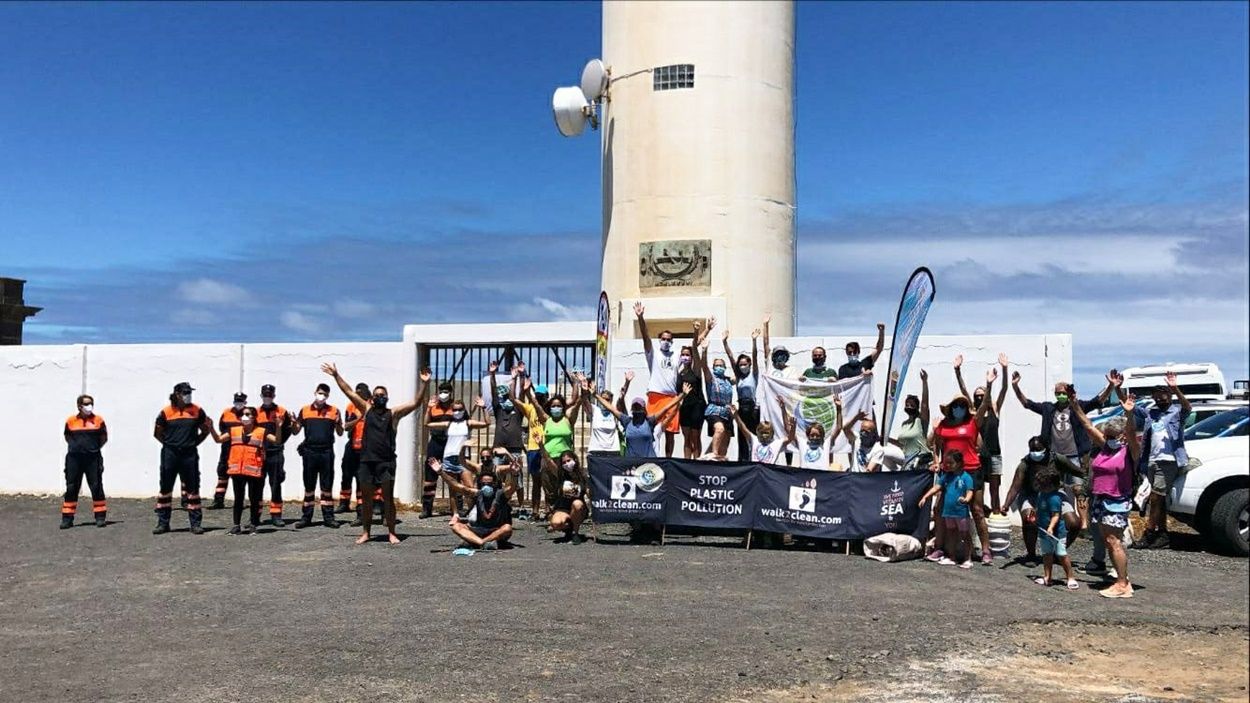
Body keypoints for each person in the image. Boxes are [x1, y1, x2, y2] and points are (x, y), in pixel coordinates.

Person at [323, 363, 429, 545]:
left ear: (387, 397)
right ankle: (366, 532)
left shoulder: (393, 413)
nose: (380, 397)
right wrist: (336, 375)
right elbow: (349, 391)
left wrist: (425, 383)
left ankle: (392, 532)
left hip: (386, 462)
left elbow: (416, 403)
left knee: (388, 499)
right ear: (372, 397)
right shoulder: (366, 409)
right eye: (377, 395)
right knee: (366, 500)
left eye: (383, 395)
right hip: (366, 461)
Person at [1010, 371, 1115, 540]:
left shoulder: (1077, 406)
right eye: (1058, 393)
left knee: (1079, 489)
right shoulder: (1048, 408)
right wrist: (1015, 386)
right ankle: (1055, 521)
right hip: (1054, 458)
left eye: (1064, 393)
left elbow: (1099, 401)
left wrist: (1111, 386)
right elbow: (1026, 403)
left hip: (1075, 455)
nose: (1061, 396)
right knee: (1053, 489)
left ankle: (1084, 525)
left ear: (1070, 394)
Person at [1073, 397, 1138, 598]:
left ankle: (1123, 584)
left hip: (1116, 501)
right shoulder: (1106, 448)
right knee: (1108, 540)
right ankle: (1120, 579)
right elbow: (1087, 425)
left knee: (1113, 540)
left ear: (1122, 437)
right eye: (1107, 435)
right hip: (1100, 499)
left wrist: (1128, 413)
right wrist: (1075, 404)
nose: (1108, 437)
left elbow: (1132, 434)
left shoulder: (1129, 452)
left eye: (1112, 435)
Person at [1000, 437, 1085, 566]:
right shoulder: (1025, 464)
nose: (1035, 453)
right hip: (1031, 495)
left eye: (1038, 450)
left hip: (1055, 493)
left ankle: (1059, 551)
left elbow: (1079, 472)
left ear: (1047, 449)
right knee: (1029, 520)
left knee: (1074, 523)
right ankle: (1031, 555)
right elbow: (1015, 487)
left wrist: (1085, 487)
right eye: (1032, 450)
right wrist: (1006, 505)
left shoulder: (1057, 459)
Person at [931, 390, 993, 564]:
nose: (959, 408)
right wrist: (937, 460)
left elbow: (984, 405)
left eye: (963, 405)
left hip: (971, 470)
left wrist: (989, 384)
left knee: (978, 510)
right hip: (948, 471)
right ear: (951, 408)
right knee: (940, 509)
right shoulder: (944, 424)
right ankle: (939, 548)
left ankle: (986, 550)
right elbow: (936, 445)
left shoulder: (973, 422)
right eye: (956, 405)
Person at [1136, 371, 1191, 551]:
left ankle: (1149, 531)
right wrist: (1118, 390)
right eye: (1157, 397)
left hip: (1168, 460)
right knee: (1157, 501)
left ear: (1169, 396)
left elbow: (1187, 408)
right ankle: (1163, 534)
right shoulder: (1152, 413)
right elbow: (1131, 408)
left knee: (1156, 496)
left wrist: (1176, 389)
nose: (1160, 399)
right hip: (1152, 460)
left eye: (1164, 395)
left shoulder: (1175, 412)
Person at [204, 405, 275, 535]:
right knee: (238, 499)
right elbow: (218, 440)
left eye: (248, 414)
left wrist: (280, 426)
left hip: (253, 470)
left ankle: (253, 524)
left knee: (253, 499)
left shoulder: (261, 431)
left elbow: (276, 440)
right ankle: (236, 525)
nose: (245, 417)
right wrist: (211, 428)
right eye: (243, 414)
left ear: (254, 417)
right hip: (237, 471)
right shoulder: (234, 430)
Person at [152, 382, 210, 535]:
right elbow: (158, 432)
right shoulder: (166, 412)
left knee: (193, 489)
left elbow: (206, 429)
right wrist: (170, 444)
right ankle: (163, 523)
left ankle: (195, 524)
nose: (188, 395)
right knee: (165, 488)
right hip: (170, 454)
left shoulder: (197, 410)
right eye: (185, 392)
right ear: (177, 394)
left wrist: (194, 442)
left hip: (189, 454)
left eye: (189, 392)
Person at [954, 354, 1010, 514]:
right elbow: (963, 390)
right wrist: (957, 371)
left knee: (994, 487)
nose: (979, 398)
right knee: (978, 488)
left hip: (994, 453)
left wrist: (1005, 369)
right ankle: (980, 513)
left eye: (982, 395)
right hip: (977, 455)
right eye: (976, 396)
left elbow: (1004, 389)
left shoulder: (995, 409)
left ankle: (996, 513)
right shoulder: (973, 412)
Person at [431, 454, 516, 551]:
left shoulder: (500, 494)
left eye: (489, 484)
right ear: (480, 484)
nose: (486, 486)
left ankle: (476, 541)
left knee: (507, 528)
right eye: (483, 484)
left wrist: (515, 474)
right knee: (456, 526)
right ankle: (482, 543)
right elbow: (456, 485)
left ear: (495, 484)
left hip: (495, 530)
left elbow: (512, 487)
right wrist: (441, 472)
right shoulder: (477, 493)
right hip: (478, 530)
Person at [289, 383, 344, 529]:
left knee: (327, 486)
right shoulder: (305, 410)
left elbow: (340, 432)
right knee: (309, 486)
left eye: (325, 394)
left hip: (326, 452)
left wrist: (339, 423)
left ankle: (329, 518)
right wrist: (293, 423)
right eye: (320, 393)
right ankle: (306, 518)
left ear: (328, 396)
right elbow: (295, 431)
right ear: (315, 392)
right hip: (310, 452)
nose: (322, 396)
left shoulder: (334, 411)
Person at [592, 374, 687, 458]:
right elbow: (611, 408)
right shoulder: (626, 421)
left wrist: (682, 395)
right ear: (632, 409)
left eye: (639, 407)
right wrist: (595, 395)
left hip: (649, 464)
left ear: (644, 409)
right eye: (635, 407)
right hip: (631, 463)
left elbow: (666, 408)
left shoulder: (650, 421)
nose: (637, 409)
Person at [425, 397, 491, 516]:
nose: (457, 412)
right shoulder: (448, 424)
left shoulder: (468, 423)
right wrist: (429, 409)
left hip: (463, 459)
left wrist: (484, 407)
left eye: (459, 409)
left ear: (464, 409)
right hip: (449, 458)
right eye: (454, 409)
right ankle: (455, 514)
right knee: (453, 490)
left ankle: (474, 513)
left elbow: (487, 423)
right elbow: (427, 424)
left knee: (469, 487)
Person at [634, 302, 681, 457]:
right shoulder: (653, 354)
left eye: (669, 339)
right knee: (652, 429)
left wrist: (705, 330)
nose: (666, 341)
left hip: (671, 398)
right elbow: (645, 336)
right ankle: (651, 456)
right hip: (655, 396)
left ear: (672, 342)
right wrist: (640, 317)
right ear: (659, 339)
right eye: (664, 338)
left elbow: (695, 345)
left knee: (670, 433)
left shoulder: (677, 356)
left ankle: (668, 460)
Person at [918, 450, 975, 568]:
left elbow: (970, 491)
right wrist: (925, 496)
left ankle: (968, 558)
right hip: (948, 511)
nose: (947, 465)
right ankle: (951, 557)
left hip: (961, 512)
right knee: (951, 534)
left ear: (959, 463)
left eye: (950, 463)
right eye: (946, 463)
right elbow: (937, 487)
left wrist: (966, 499)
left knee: (965, 534)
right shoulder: (946, 477)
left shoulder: (966, 477)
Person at [61, 394, 108, 529]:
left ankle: (100, 517)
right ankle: (67, 519)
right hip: (74, 459)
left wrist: (93, 449)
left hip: (93, 458)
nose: (89, 406)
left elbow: (103, 437)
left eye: (91, 403)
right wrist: (77, 448)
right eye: (86, 404)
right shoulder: (71, 421)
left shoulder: (98, 420)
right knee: (72, 487)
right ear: (79, 406)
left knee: (96, 486)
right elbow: (67, 436)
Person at [1032, 465, 1078, 590]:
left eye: (1043, 485)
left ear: (1052, 485)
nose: (1040, 487)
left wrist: (1051, 527)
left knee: (1061, 554)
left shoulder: (1054, 498)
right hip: (1043, 530)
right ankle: (1048, 576)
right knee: (1046, 554)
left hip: (1057, 532)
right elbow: (1040, 509)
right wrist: (1035, 517)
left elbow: (1056, 515)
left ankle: (1070, 577)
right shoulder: (1042, 494)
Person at [529, 380, 583, 489]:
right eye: (553, 406)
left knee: (567, 489)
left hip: (565, 461)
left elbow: (577, 404)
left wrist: (581, 389)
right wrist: (526, 391)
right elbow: (536, 405)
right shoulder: (546, 419)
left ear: (563, 407)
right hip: (548, 458)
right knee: (549, 490)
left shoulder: (568, 420)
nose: (556, 408)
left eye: (559, 406)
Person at [255, 384, 294, 527]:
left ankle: (276, 515)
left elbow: (289, 430)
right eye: (265, 395)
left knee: (276, 484)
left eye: (270, 395)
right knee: (257, 485)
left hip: (275, 453)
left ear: (274, 396)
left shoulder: (281, 411)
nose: (267, 397)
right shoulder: (255, 412)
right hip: (259, 453)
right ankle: (255, 515)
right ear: (261, 395)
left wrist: (280, 443)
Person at [420, 380, 457, 518]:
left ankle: (456, 509)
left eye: (446, 391)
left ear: (451, 393)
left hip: (451, 443)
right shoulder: (434, 406)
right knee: (430, 475)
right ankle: (426, 508)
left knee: (453, 474)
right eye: (441, 391)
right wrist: (428, 408)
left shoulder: (455, 407)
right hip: (435, 443)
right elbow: (426, 423)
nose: (443, 394)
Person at [725, 327, 761, 461]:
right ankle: (743, 460)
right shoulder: (739, 377)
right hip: (742, 408)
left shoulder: (754, 375)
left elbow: (755, 356)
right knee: (742, 435)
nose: (742, 366)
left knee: (753, 436)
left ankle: (754, 459)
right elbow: (730, 357)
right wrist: (724, 342)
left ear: (749, 364)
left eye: (745, 364)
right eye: (740, 364)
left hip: (752, 408)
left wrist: (754, 340)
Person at [208, 392, 248, 510]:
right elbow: (222, 427)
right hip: (227, 446)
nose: (238, 403)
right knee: (222, 472)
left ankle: (239, 500)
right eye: (237, 401)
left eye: (241, 401)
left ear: (245, 402)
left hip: (241, 448)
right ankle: (219, 500)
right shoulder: (226, 412)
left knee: (240, 474)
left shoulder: (248, 413)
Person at [699, 331, 736, 460]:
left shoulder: (728, 380)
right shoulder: (711, 378)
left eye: (721, 365)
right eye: (716, 365)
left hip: (727, 411)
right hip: (714, 409)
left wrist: (725, 344)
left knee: (725, 440)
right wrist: (704, 350)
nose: (719, 367)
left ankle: (716, 458)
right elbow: (703, 366)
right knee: (719, 429)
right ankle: (714, 453)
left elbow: (736, 367)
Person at [516, 376, 547, 519]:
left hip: (547, 448)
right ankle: (535, 510)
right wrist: (520, 382)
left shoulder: (550, 409)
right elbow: (515, 401)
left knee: (548, 481)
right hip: (534, 448)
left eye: (542, 396)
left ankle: (548, 509)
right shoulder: (530, 409)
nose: (540, 398)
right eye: (538, 396)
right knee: (536, 482)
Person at [542, 449, 589, 543]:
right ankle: (569, 527)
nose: (567, 464)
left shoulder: (583, 475)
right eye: (564, 462)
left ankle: (575, 534)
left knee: (577, 504)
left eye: (568, 461)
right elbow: (548, 460)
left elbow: (588, 491)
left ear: (575, 460)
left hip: (578, 508)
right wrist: (541, 445)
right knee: (556, 523)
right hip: (563, 508)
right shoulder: (561, 474)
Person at [733, 397, 795, 466]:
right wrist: (736, 415)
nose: (763, 435)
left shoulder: (777, 443)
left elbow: (790, 438)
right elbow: (743, 428)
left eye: (766, 433)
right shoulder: (754, 440)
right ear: (757, 432)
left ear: (772, 434)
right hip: (755, 471)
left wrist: (793, 426)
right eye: (761, 432)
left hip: (768, 472)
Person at [338, 382, 371, 513]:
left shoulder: (371, 406)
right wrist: (358, 419)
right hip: (352, 445)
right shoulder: (351, 406)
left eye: (360, 394)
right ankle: (344, 503)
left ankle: (361, 505)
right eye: (356, 394)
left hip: (366, 447)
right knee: (346, 474)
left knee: (361, 477)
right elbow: (346, 426)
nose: (357, 396)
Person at [891, 370, 932, 469]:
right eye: (907, 404)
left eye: (912, 405)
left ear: (917, 407)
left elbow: (925, 404)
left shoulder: (921, 420)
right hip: (907, 460)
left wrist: (924, 382)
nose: (909, 406)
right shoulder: (904, 424)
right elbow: (901, 444)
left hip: (921, 459)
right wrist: (886, 439)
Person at [584, 375, 624, 458]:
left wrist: (626, 383)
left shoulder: (614, 412)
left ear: (611, 401)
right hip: (596, 451)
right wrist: (584, 388)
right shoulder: (595, 410)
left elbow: (621, 401)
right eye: (603, 399)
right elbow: (584, 400)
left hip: (613, 452)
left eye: (607, 400)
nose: (604, 402)